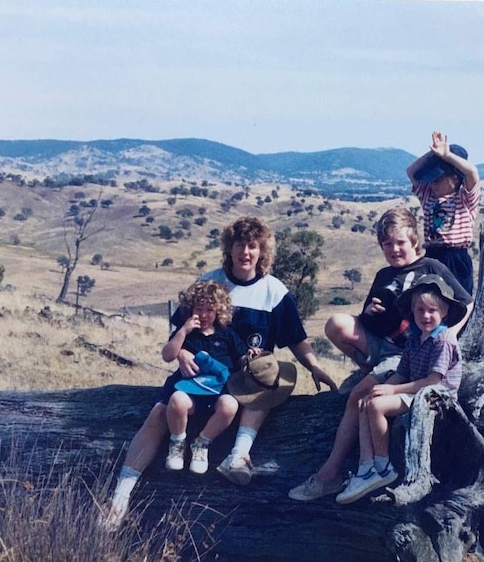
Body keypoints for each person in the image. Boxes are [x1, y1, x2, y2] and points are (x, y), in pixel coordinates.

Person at [102, 216, 337, 529]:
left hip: (242, 380)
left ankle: (238, 456)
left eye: (253, 246)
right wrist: (183, 353)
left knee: (267, 383)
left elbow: (295, 338)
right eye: (239, 244)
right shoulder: (210, 282)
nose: (245, 252)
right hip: (198, 376)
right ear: (230, 248)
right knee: (158, 414)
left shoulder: (274, 292)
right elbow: (179, 333)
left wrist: (314, 366)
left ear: (262, 251)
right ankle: (120, 498)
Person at [288, 207, 472, 501]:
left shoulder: (432, 268)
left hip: (408, 351)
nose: (394, 249)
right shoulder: (384, 274)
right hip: (384, 344)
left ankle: (331, 474)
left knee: (357, 398)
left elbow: (466, 301)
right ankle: (366, 372)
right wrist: (369, 312)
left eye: (400, 242)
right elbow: (368, 317)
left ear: (414, 240)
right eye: (387, 244)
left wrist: (450, 331)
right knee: (336, 324)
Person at [335, 274, 465, 504]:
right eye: (420, 310)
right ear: (412, 312)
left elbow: (433, 382)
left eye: (432, 310)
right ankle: (367, 466)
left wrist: (391, 391)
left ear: (444, 312)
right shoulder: (414, 338)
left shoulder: (442, 340)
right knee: (367, 399)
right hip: (415, 391)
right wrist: (384, 387)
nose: (425, 316)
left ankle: (384, 466)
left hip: (435, 399)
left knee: (376, 407)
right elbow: (402, 372)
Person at [161, 280, 256, 475]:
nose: (203, 315)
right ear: (190, 309)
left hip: (219, 392)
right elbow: (167, 355)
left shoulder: (226, 334)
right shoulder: (187, 334)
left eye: (210, 310)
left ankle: (201, 444)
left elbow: (240, 358)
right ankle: (177, 443)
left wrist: (251, 355)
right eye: (199, 309)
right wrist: (183, 331)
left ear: (219, 311)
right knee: (176, 400)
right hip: (191, 392)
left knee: (230, 405)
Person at [405, 131, 481, 295]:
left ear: (454, 178)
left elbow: (472, 173)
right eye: (431, 180)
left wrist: (447, 156)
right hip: (433, 254)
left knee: (458, 299)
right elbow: (411, 172)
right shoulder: (428, 197)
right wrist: (434, 153)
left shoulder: (464, 199)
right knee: (431, 298)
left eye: (437, 180)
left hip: (455, 257)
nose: (433, 185)